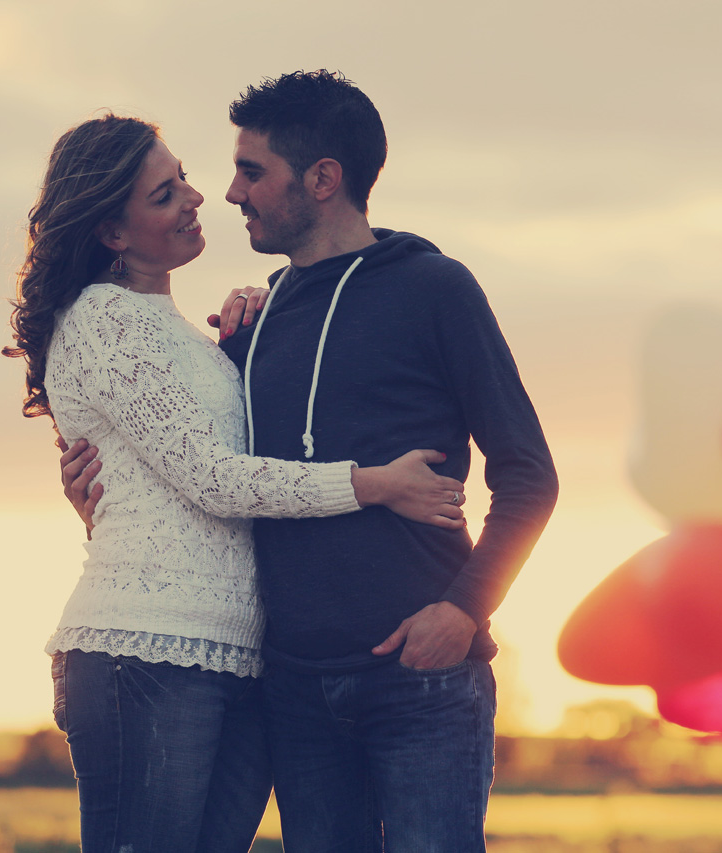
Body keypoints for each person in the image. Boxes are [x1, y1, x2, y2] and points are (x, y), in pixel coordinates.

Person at [4, 113, 468, 853]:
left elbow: (171, 468)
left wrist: (253, 332)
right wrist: (374, 484)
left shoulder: (187, 332)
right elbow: (214, 479)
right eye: (164, 195)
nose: (197, 197)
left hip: (239, 655)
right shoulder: (101, 320)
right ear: (112, 235)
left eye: (182, 174)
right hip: (146, 655)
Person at [217, 70, 559, 851]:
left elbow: (529, 473)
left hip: (424, 683)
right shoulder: (252, 323)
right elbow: (230, 481)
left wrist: (465, 609)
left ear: (324, 179)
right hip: (295, 691)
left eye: (252, 171)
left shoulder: (436, 289)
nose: (232, 193)